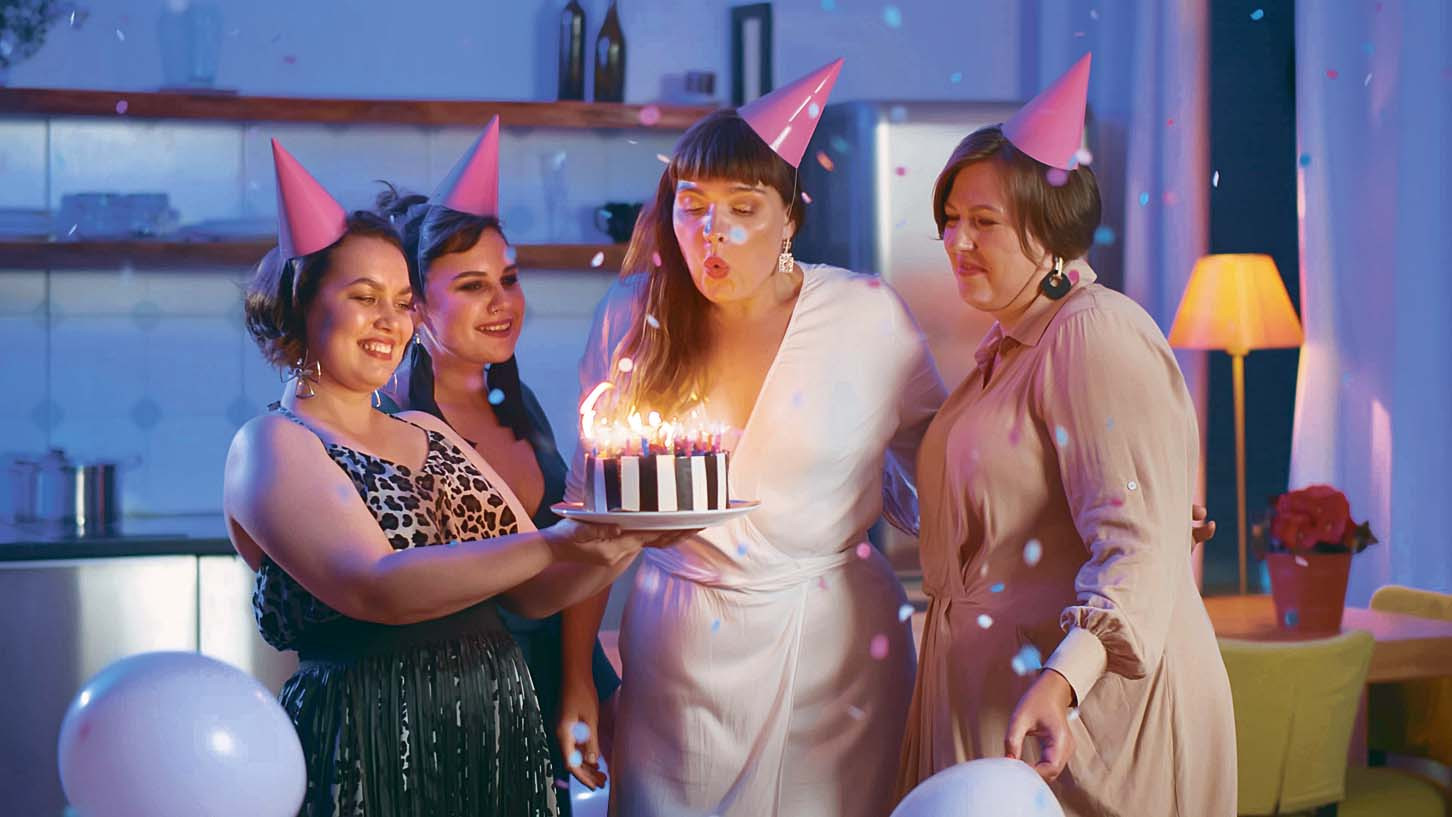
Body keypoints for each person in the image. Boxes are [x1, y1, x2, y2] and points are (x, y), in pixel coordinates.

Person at [557, 59, 946, 817]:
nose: (715, 231)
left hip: (834, 655)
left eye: (744, 207)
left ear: (789, 218)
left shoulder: (867, 316)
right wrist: (578, 676)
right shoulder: (632, 314)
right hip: (675, 652)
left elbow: (955, 467)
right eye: (693, 206)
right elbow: (590, 516)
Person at [224, 140, 656, 816]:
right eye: (363, 297)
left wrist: (626, 537)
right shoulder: (274, 443)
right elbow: (378, 585)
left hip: (498, 729)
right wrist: (562, 541)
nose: (390, 322)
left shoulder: (428, 432)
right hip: (373, 738)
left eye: (402, 302)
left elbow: (532, 595)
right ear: (303, 303)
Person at [894, 54, 1237, 816]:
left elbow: (1134, 545)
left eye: (984, 222)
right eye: (950, 219)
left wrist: (1064, 678)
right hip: (1012, 706)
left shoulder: (1092, 334)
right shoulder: (1008, 348)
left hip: (1088, 722)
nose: (956, 241)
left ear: (1049, 230)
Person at [373, 118, 624, 812]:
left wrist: (580, 680)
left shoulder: (523, 405)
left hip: (554, 678)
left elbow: (568, 563)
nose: (502, 303)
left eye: (508, 279)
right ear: (417, 305)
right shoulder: (391, 420)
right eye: (472, 285)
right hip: (450, 708)